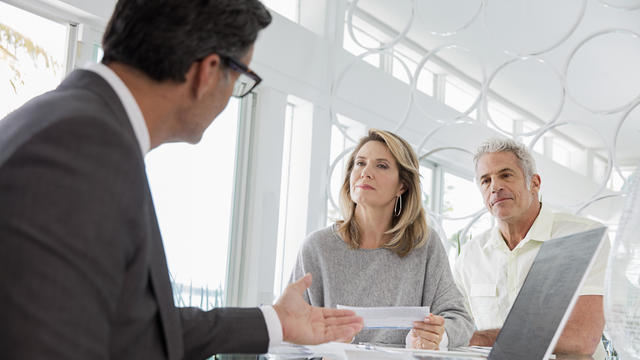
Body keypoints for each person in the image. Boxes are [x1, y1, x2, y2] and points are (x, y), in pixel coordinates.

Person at [0, 0, 363, 359]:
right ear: (208, 71)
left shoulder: (72, 125)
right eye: (240, 77)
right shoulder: (81, 149)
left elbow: (129, 325)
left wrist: (274, 322)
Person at [290, 129, 474, 350]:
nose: (365, 172)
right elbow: (289, 336)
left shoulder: (424, 244)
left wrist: (437, 336)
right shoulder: (317, 247)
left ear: (402, 186)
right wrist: (325, 348)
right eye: (360, 163)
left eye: (381, 165)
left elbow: (460, 320)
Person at [453, 138, 610, 358]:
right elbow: (456, 331)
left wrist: (483, 338)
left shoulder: (581, 235)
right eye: (486, 180)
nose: (495, 186)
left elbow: (581, 339)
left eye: (505, 175)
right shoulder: (470, 255)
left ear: (534, 183)